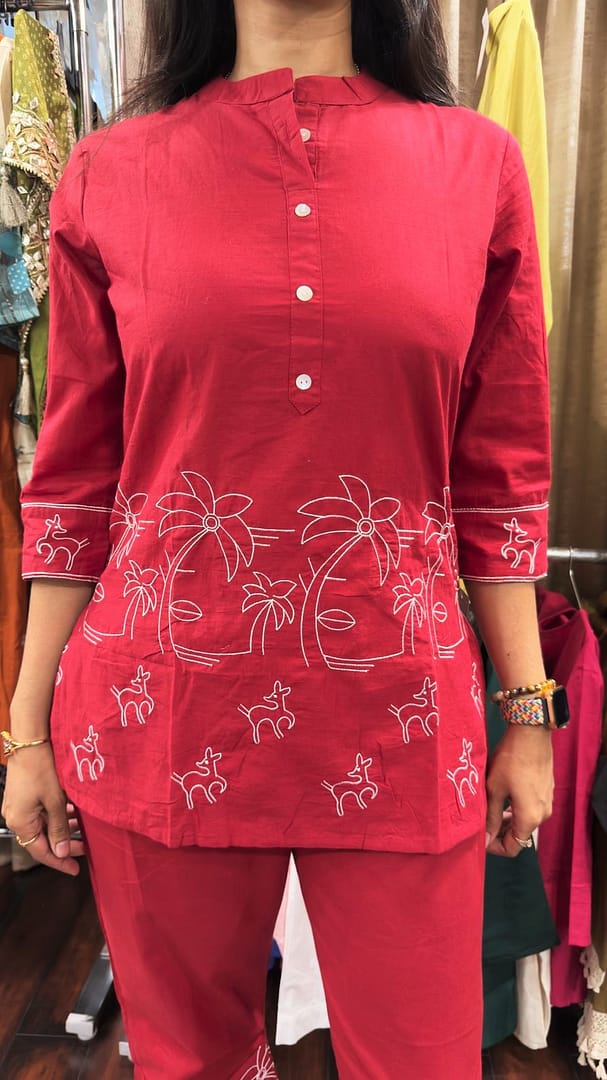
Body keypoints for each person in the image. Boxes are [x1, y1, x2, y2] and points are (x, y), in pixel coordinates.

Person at [2, 1, 557, 1077]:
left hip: (399, 714)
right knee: (190, 1061)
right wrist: (25, 732)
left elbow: (501, 476)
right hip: (162, 708)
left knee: (423, 1060)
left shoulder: (475, 167)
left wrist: (527, 715)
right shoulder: (109, 174)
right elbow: (72, 483)